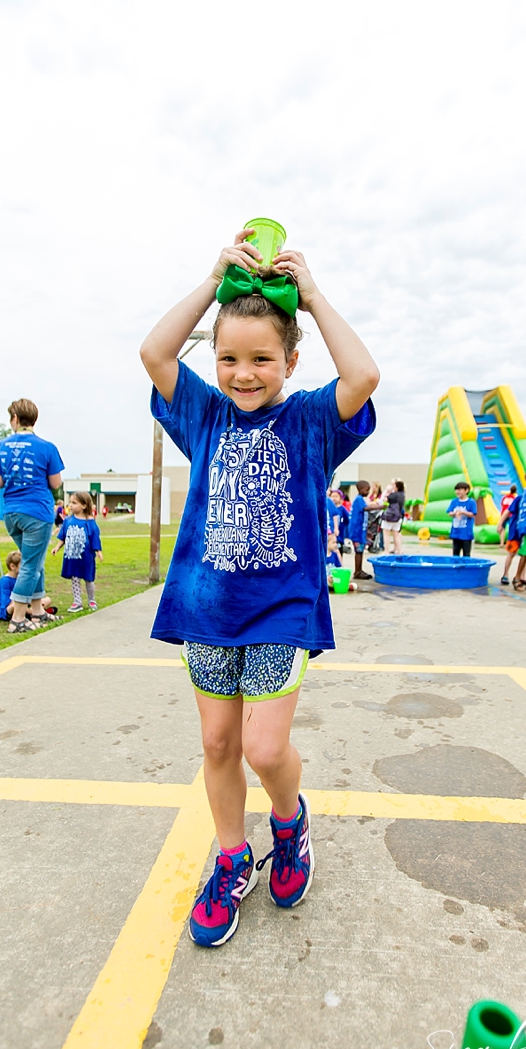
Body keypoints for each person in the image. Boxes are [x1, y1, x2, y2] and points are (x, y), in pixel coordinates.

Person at [139, 225, 378, 947]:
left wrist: (312, 294)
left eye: (262, 359)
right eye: (230, 358)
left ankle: (288, 821)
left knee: (265, 749)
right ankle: (232, 855)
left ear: (291, 359)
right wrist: (214, 279)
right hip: (206, 610)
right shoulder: (204, 413)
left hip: (282, 610)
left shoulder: (309, 420)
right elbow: (154, 352)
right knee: (217, 743)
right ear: (214, 361)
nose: (245, 373)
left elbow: (363, 376)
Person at [0, 398, 65, 634]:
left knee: (36, 562)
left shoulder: (0, 447)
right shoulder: (46, 447)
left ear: (15, 418)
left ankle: (39, 611)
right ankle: (19, 618)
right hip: (37, 512)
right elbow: (56, 483)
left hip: (12, 512)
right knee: (31, 565)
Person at [52, 491, 103, 612]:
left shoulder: (89, 522)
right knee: (74, 578)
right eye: (70, 502)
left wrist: (99, 551)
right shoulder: (68, 521)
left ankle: (91, 600)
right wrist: (57, 547)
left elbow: (95, 537)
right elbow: (63, 536)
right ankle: (77, 601)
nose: (70, 505)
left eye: (74, 503)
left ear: (84, 505)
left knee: (88, 579)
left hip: (85, 558)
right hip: (72, 556)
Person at [0, 550, 55, 621]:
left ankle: (34, 612)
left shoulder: (21, 578)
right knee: (15, 606)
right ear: (12, 566)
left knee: (47, 600)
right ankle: (36, 613)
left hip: (23, 604)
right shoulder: (5, 581)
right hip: (6, 609)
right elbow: (7, 603)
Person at [348, 479, 376, 579]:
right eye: (366, 490)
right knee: (358, 552)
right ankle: (357, 571)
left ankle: (359, 569)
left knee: (361, 551)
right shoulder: (358, 499)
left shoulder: (361, 500)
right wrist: (379, 507)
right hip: (357, 532)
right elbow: (366, 508)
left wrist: (366, 531)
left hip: (361, 531)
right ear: (360, 489)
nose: (368, 492)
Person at [447, 482, 478, 556]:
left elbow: (473, 514)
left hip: (466, 533)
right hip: (456, 532)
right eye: (456, 490)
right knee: (455, 553)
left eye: (460, 489)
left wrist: (463, 513)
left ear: (466, 490)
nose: (457, 492)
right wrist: (455, 513)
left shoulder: (471, 502)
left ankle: (466, 567)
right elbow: (449, 513)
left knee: (466, 554)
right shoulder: (454, 501)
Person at [497, 491, 521, 585]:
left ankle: (520, 577)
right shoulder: (519, 499)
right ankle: (505, 574)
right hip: (515, 531)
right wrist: (500, 523)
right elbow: (507, 510)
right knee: (511, 553)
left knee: (524, 556)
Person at [380, 479, 405, 556]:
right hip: (398, 517)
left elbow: (384, 499)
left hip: (389, 517)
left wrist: (387, 492)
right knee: (396, 534)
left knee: (386, 534)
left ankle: (386, 550)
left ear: (397, 487)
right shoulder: (402, 495)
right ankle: (400, 550)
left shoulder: (393, 495)